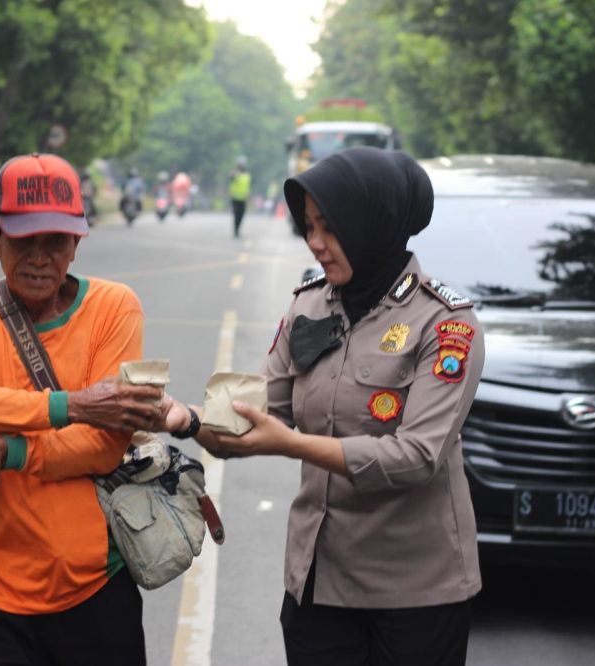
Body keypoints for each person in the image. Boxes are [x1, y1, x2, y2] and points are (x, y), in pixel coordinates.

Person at [156, 147, 484, 666]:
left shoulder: (444, 325)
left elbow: (418, 457)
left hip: (416, 593)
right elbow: (258, 414)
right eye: (308, 227)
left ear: (371, 226)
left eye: (330, 229)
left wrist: (292, 444)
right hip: (319, 584)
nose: (315, 245)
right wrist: (187, 419)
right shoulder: (309, 304)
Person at [0, 153, 165, 666]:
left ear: (77, 242)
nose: (39, 257)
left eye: (55, 241)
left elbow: (104, 447)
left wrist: (7, 448)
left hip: (96, 584)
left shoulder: (114, 308)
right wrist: (73, 404)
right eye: (22, 240)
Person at [228, 156, 251, 238]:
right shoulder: (235, 174)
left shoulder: (247, 176)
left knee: (241, 215)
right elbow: (230, 177)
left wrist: (248, 198)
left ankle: (238, 229)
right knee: (236, 215)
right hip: (235, 199)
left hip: (243, 199)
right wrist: (235, 172)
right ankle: (236, 231)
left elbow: (247, 188)